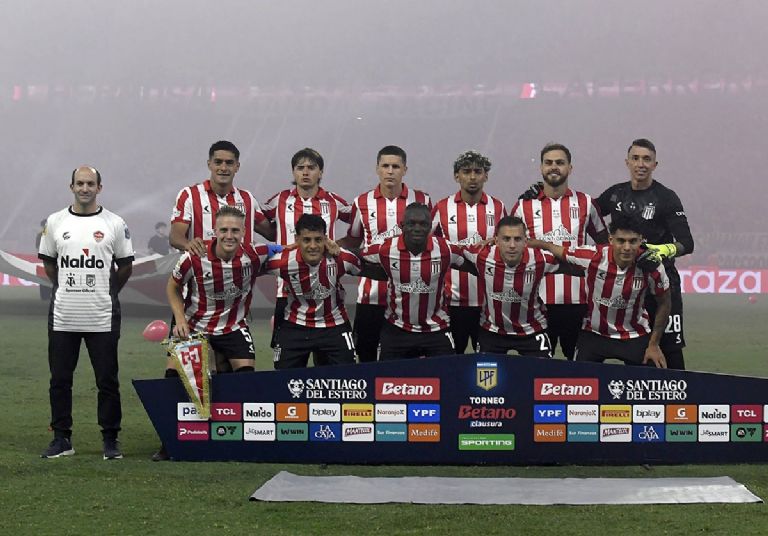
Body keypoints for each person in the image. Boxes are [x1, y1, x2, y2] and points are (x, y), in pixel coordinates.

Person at [38, 166, 134, 459]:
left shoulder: (114, 223)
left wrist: (107, 292)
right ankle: (62, 439)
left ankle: (110, 440)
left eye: (90, 183)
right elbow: (50, 264)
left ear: (99, 188)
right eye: (79, 183)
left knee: (107, 381)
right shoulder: (55, 221)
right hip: (64, 315)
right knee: (60, 380)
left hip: (102, 316)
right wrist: (66, 288)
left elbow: (125, 266)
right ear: (71, 187)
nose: (85, 188)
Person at [168, 140, 273, 376]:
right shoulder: (190, 195)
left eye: (229, 163)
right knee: (182, 377)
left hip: (232, 304)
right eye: (218, 162)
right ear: (209, 164)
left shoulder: (247, 199)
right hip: (195, 300)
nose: (223, 168)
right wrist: (189, 245)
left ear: (237, 166)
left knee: (232, 377)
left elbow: (273, 231)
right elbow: (175, 236)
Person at [596, 138, 694, 369]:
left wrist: (663, 250)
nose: (641, 164)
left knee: (671, 352)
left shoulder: (666, 197)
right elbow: (584, 212)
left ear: (655, 165)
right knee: (636, 352)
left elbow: (687, 243)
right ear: (627, 162)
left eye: (647, 159)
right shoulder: (615, 194)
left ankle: (679, 392)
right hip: (629, 288)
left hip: (664, 285)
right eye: (636, 158)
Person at [531, 217, 671, 367]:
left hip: (635, 334)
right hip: (594, 333)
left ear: (641, 241)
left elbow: (665, 302)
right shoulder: (593, 256)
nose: (627, 247)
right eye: (621, 241)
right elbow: (555, 249)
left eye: (633, 241)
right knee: (578, 378)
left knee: (651, 376)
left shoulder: (652, 266)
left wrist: (654, 345)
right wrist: (530, 243)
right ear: (611, 240)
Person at [513, 143, 607, 360]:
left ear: (570, 168)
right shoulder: (524, 206)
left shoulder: (585, 203)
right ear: (541, 168)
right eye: (548, 163)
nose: (554, 167)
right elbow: (509, 245)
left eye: (560, 163)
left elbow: (604, 246)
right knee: (538, 366)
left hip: (578, 301)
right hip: (536, 301)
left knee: (579, 367)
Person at [340, 146, 431, 362]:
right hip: (371, 294)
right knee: (366, 355)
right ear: (377, 169)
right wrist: (328, 246)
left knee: (407, 358)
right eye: (385, 166)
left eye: (396, 166)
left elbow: (432, 241)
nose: (390, 171)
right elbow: (353, 240)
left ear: (405, 170)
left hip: (409, 295)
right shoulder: (362, 202)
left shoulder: (422, 200)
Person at [262, 148, 351, 353]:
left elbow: (361, 225)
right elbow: (255, 220)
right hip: (286, 289)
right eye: (300, 167)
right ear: (293, 172)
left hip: (327, 289)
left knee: (327, 361)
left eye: (311, 167)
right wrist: (278, 245)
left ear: (320, 172)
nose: (305, 172)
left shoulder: (333, 201)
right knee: (286, 357)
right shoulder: (280, 200)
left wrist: (338, 245)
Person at [267, 214, 381, 368]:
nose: (313, 246)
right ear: (297, 239)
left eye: (318, 240)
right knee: (284, 378)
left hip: (334, 325)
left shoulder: (341, 258)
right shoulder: (282, 262)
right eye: (306, 240)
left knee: (347, 377)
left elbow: (374, 271)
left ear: (326, 239)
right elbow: (251, 265)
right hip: (295, 325)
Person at [360, 203, 470, 360]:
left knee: (447, 373)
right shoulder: (386, 249)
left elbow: (475, 264)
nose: (417, 229)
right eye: (411, 224)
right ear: (402, 225)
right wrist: (332, 248)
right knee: (387, 374)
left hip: (436, 328)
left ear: (430, 226)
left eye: (423, 224)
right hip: (397, 328)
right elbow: (355, 257)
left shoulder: (446, 249)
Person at [432, 150, 506, 354]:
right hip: (451, 300)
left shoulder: (497, 207)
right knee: (452, 358)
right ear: (457, 176)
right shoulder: (442, 207)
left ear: (486, 176)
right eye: (466, 171)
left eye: (477, 171)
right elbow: (427, 244)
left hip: (487, 301)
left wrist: (496, 242)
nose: (472, 177)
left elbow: (509, 242)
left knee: (486, 361)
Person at [463, 216, 561, 358]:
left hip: (532, 330)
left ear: (526, 241)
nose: (512, 245)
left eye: (518, 239)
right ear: (496, 241)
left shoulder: (541, 259)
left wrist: (545, 245)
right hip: (493, 331)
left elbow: (572, 261)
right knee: (485, 372)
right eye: (506, 239)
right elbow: (451, 251)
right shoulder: (481, 256)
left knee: (542, 371)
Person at [35, 219, 52, 301]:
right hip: (46, 259)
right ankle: (45, 295)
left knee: (48, 277)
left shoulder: (52, 235)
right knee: (44, 277)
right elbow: (37, 247)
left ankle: (46, 295)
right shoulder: (41, 235)